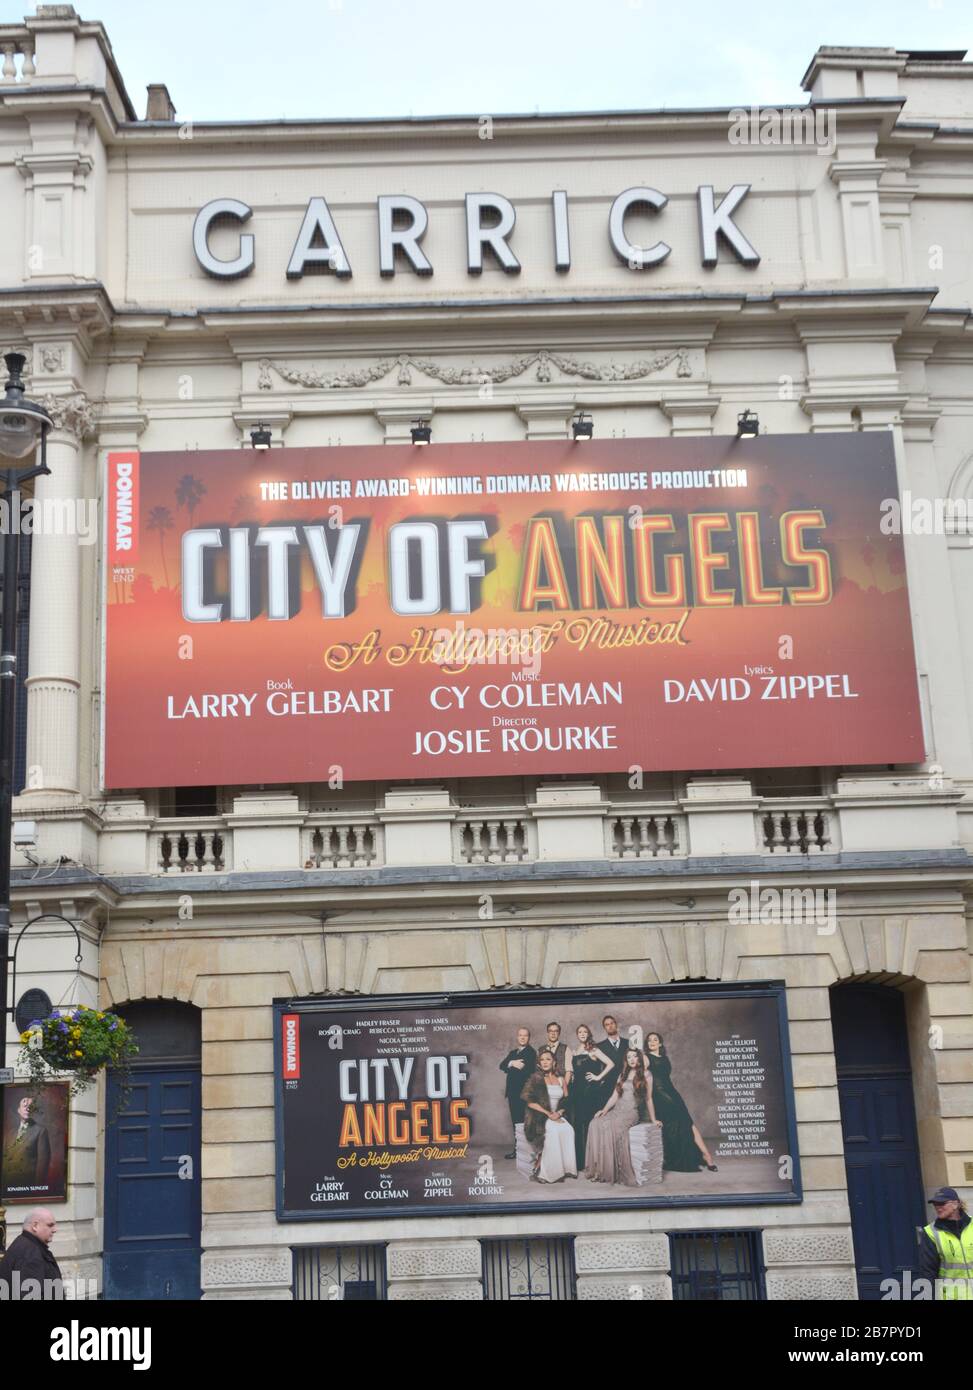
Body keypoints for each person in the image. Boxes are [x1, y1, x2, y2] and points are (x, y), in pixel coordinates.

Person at [644, 1031, 717, 1172]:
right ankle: (707, 1156)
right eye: (649, 1040)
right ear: (647, 1044)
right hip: (660, 1095)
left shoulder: (664, 1057)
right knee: (683, 1124)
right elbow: (639, 1072)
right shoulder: (646, 1057)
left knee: (686, 1124)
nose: (652, 1042)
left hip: (672, 1093)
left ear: (660, 1043)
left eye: (655, 1039)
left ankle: (705, 1155)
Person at [585, 1049, 658, 1186]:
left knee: (610, 1127)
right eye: (628, 1057)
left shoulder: (647, 1074)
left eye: (635, 1056)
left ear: (639, 1059)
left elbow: (648, 1098)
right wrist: (604, 1110)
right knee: (595, 1123)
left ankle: (609, 1171)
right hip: (617, 1109)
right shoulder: (623, 1075)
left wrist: (653, 1119)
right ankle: (599, 1170)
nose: (631, 1059)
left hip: (631, 1113)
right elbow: (614, 1096)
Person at [521, 1048, 577, 1183]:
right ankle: (544, 1172)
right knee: (553, 1131)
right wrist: (548, 1113)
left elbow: (566, 1100)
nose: (545, 1062)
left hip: (556, 1114)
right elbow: (529, 1102)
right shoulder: (536, 1079)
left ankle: (563, 1169)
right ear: (539, 1064)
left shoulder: (561, 1079)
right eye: (542, 1059)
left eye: (548, 1059)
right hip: (539, 1115)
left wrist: (559, 1112)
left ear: (554, 1063)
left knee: (568, 1129)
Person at [564, 1024, 614, 1169]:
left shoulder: (593, 1049)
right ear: (577, 1035)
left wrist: (598, 1077)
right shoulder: (575, 1050)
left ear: (589, 1034)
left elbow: (611, 1064)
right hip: (576, 1091)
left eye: (585, 1031)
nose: (582, 1034)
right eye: (580, 1032)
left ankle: (591, 1161)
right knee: (577, 1124)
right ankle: (580, 1161)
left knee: (587, 1123)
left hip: (589, 1091)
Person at [918, 1186, 972, 1299]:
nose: (938, 1208)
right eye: (935, 1205)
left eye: (942, 1204)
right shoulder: (931, 1233)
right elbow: (928, 1273)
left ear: (956, 1204)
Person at [0, 1208, 62, 1299]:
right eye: (50, 1225)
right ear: (35, 1226)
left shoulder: (27, 1246)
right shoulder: (30, 1253)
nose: (55, 1230)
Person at [498, 1026, 537, 1159]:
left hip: (524, 1094)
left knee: (524, 1122)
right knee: (516, 1123)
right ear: (517, 1037)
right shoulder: (513, 1053)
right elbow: (501, 1065)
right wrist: (512, 1063)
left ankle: (526, 1151)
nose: (522, 1037)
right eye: (520, 1035)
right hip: (512, 1094)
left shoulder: (531, 1053)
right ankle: (518, 1149)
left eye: (525, 1035)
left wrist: (512, 1066)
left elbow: (526, 1071)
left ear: (528, 1037)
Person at [2, 1094, 52, 1191]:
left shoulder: (40, 1131)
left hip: (26, 1184)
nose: (28, 1109)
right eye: (25, 1106)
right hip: (7, 1184)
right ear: (18, 1110)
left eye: (31, 1107)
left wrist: (37, 1189)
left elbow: (43, 1163)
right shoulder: (9, 1133)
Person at [595, 1015, 626, 1097]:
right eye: (607, 1024)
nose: (610, 1026)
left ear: (616, 1025)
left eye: (612, 1023)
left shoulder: (628, 1043)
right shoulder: (599, 1046)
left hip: (625, 1083)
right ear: (604, 1028)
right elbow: (596, 1067)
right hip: (607, 1085)